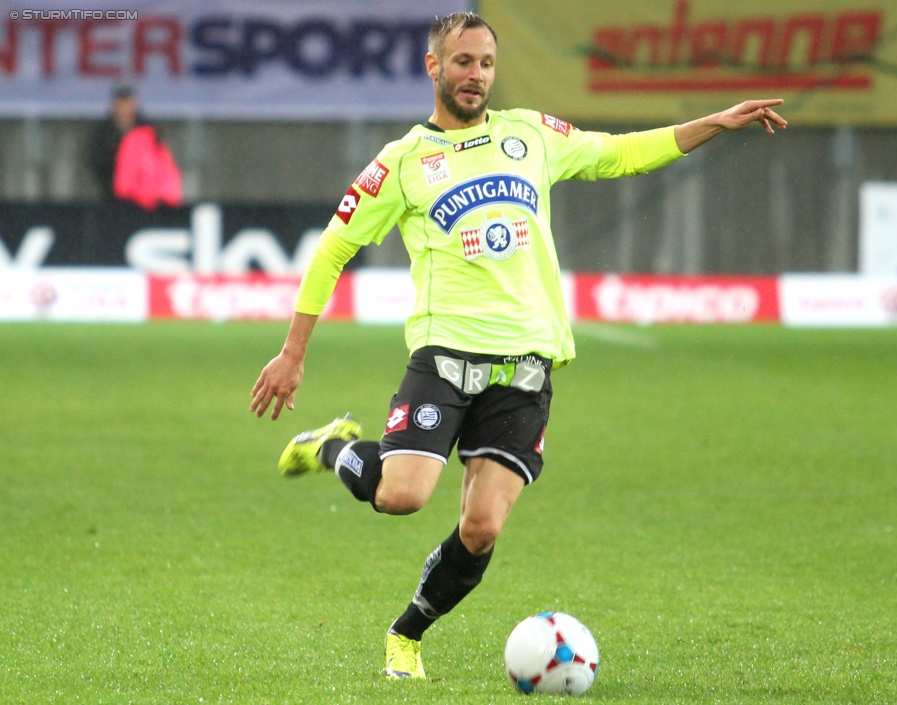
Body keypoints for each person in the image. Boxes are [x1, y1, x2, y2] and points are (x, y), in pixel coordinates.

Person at [249, 11, 786, 681]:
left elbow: (620, 153)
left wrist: (714, 122)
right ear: (433, 67)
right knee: (401, 495)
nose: (476, 76)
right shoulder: (404, 161)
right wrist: (293, 352)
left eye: (487, 64)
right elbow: (334, 247)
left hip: (525, 365)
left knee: (480, 530)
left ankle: (406, 635)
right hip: (445, 355)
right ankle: (331, 446)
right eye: (464, 62)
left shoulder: (530, 134)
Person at [88, 84, 182, 210]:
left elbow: (160, 164)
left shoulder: (149, 130)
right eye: (120, 103)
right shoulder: (103, 132)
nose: (124, 107)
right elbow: (97, 162)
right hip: (113, 199)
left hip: (148, 203)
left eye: (127, 102)